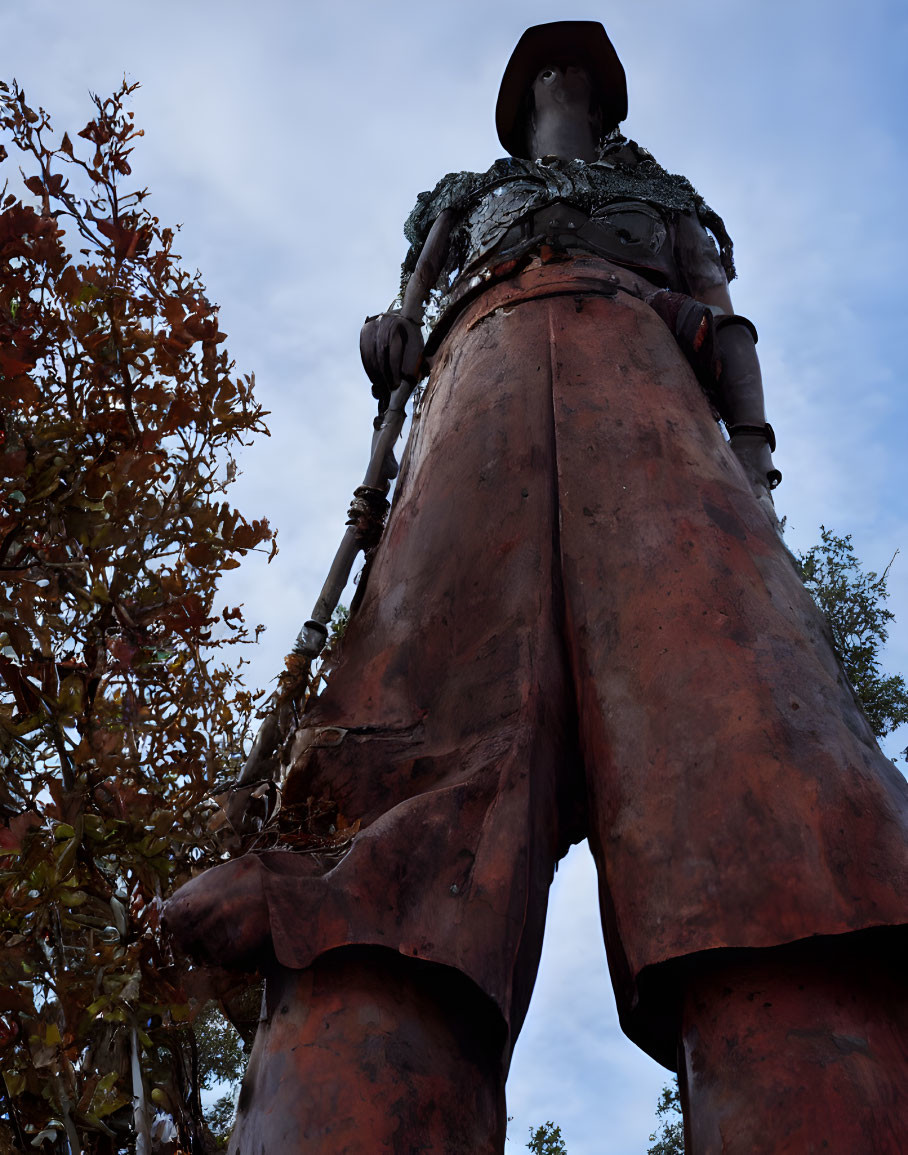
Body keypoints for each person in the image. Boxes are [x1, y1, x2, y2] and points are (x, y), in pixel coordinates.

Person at [167, 22, 908, 1153]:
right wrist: (394, 334)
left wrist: (751, 458)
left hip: (647, 394)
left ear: (601, 98)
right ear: (520, 98)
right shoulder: (464, 202)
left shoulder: (661, 199)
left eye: (578, 68)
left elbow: (722, 319)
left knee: (749, 751)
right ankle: (355, 1033)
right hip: (480, 392)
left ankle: (813, 1018)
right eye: (546, 67)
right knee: (405, 754)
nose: (562, 76)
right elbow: (405, 312)